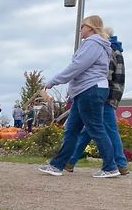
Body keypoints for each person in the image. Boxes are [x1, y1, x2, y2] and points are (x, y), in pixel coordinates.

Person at [37, 14, 118, 178]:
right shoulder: (97, 45)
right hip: (85, 90)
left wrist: (54, 81)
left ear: (89, 27)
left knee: (96, 128)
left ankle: (110, 166)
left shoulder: (93, 43)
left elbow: (77, 66)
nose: (80, 30)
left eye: (82, 26)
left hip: (90, 89)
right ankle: (57, 165)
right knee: (72, 129)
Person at [64, 29, 129, 175]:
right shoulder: (116, 50)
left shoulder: (107, 49)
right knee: (89, 130)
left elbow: (104, 74)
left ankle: (119, 163)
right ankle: (70, 160)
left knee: (105, 129)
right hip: (109, 94)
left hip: (101, 94)